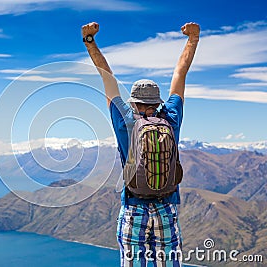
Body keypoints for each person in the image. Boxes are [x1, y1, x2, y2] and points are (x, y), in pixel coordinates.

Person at [82, 21, 200, 266]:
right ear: (158, 102)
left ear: (133, 101)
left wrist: (90, 41)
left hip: (134, 208)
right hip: (167, 207)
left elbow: (107, 76)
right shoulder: (171, 117)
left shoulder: (125, 119)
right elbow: (180, 73)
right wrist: (192, 39)